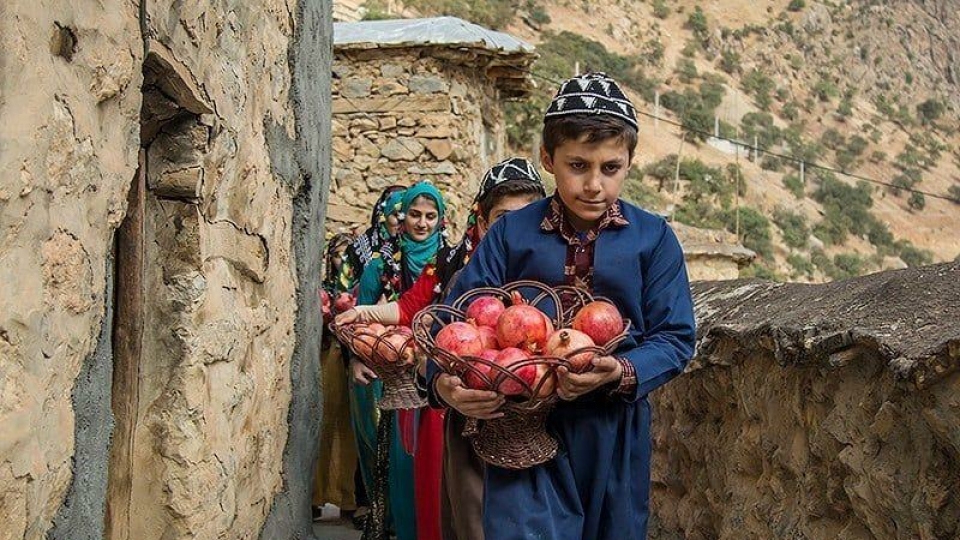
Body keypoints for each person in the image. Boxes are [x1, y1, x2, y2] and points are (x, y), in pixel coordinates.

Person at [431, 72, 697, 540]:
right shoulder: (511, 235)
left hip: (613, 434)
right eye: (578, 165)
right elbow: (453, 325)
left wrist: (619, 370)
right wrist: (445, 385)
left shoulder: (653, 239)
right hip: (522, 428)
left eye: (610, 168)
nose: (594, 184)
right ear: (548, 159)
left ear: (629, 162)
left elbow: (676, 338)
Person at [336, 158, 547, 540]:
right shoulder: (454, 267)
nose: (515, 229)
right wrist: (364, 314)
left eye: (528, 216)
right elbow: (413, 310)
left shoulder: (552, 274)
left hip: (540, 427)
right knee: (462, 512)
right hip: (463, 416)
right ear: (482, 220)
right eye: (502, 218)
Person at [353, 181, 448, 540]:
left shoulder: (449, 260)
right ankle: (399, 525)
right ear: (402, 216)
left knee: (436, 459)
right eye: (414, 214)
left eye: (430, 216)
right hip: (391, 373)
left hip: (438, 371)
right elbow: (363, 315)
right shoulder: (381, 263)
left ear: (441, 219)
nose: (422, 223)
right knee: (400, 456)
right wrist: (357, 359)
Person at [345, 186, 406, 531]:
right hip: (371, 359)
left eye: (407, 212)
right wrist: (356, 356)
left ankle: (401, 514)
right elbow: (352, 307)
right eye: (395, 212)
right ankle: (375, 507)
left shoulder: (436, 261)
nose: (401, 220)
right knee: (373, 436)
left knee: (404, 448)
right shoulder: (370, 260)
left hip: (413, 365)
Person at [313, 233, 358, 520]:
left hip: (354, 359)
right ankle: (317, 495)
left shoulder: (360, 289)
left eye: (348, 255)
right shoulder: (324, 290)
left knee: (350, 427)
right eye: (338, 255)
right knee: (326, 421)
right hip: (330, 356)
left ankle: (348, 497)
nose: (343, 261)